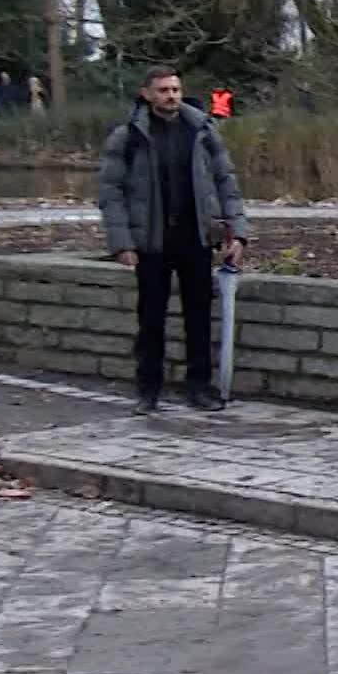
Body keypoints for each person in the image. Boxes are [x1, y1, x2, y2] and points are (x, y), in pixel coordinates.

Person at [96, 65, 251, 415]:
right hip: (151, 241)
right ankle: (147, 391)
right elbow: (111, 192)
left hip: (195, 238)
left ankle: (200, 388)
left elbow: (226, 181)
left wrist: (237, 232)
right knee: (151, 320)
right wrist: (121, 243)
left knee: (199, 317)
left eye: (176, 90)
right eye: (164, 90)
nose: (171, 96)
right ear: (147, 94)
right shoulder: (129, 136)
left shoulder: (201, 130)